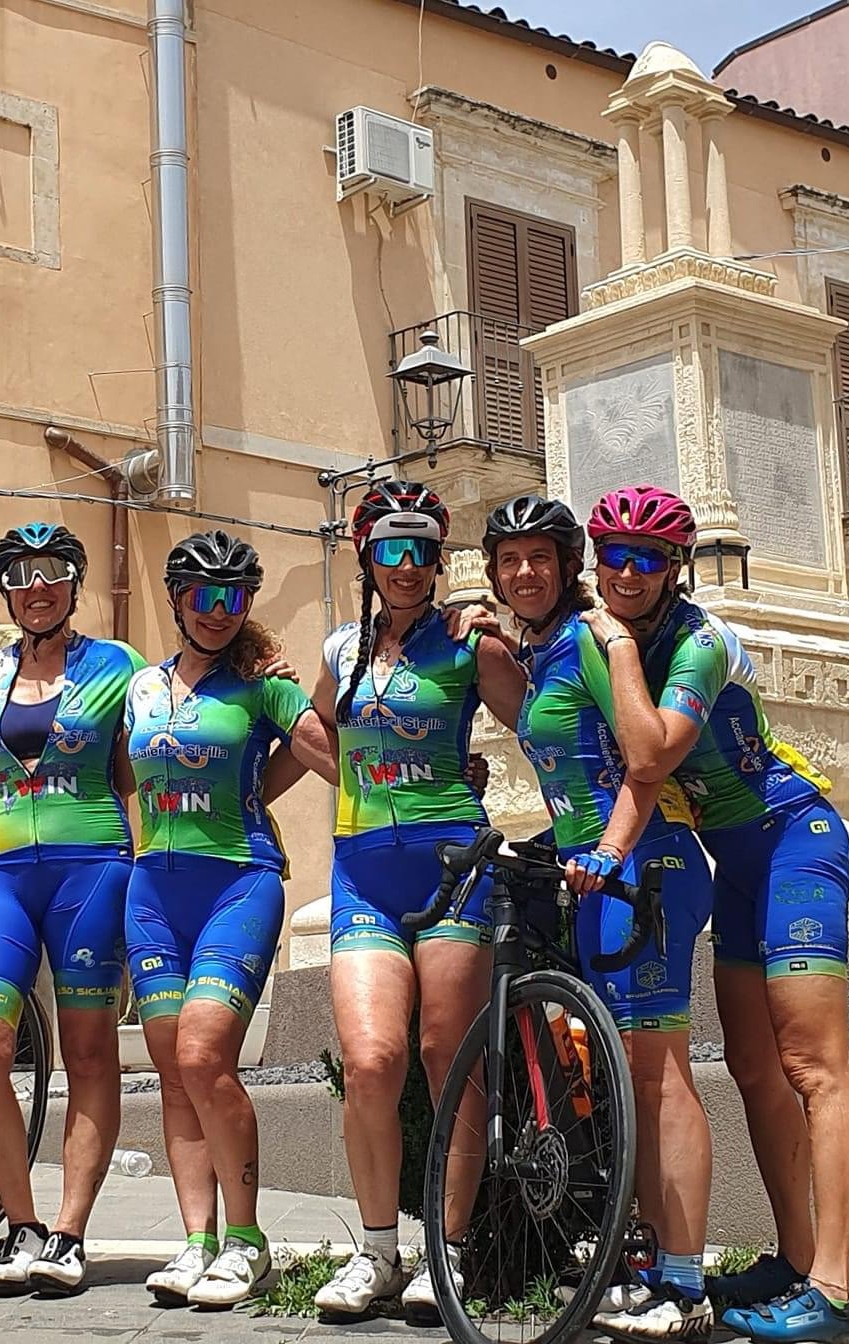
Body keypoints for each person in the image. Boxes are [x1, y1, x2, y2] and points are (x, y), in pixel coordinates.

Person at [583, 486, 849, 1344]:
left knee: (814, 1066)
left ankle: (836, 1290)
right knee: (752, 1066)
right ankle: (793, 1256)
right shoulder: (636, 634)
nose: (627, 573)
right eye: (614, 555)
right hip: (737, 866)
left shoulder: (697, 643)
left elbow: (654, 750)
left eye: (648, 558)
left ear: (676, 568)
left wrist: (616, 646)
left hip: (796, 843)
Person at [474, 493, 716, 1342]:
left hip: (645, 863)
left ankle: (684, 1284)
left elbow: (644, 760)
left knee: (658, 1072)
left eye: (541, 558)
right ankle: (650, 1263)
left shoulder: (592, 638)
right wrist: (482, 636)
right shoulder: (546, 651)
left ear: (568, 565)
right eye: (509, 561)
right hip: (594, 870)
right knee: (629, 1077)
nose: (525, 573)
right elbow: (525, 718)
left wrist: (613, 852)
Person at [302, 482, 525, 1320]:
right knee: (369, 1062)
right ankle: (379, 1252)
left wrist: (515, 642)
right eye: (391, 548)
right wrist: (353, 775)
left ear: (440, 558)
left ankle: (450, 1249)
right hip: (362, 870)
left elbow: (540, 723)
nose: (407, 565)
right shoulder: (339, 648)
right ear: (366, 556)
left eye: (423, 548)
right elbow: (312, 728)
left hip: (454, 866)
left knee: (447, 1057)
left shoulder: (467, 643)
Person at [121, 531, 333, 1309]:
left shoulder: (265, 686)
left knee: (206, 1054)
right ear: (177, 600)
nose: (219, 612)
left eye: (235, 598)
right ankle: (196, 1239)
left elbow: (335, 756)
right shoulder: (141, 689)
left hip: (238, 884)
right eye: (204, 597)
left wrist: (453, 768)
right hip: (150, 891)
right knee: (175, 1072)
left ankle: (247, 1242)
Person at [0, 522, 142, 1296]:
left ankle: (68, 1233)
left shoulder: (119, 667)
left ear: (72, 584)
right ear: (6, 588)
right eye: (22, 575)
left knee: (90, 1052)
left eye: (53, 573)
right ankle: (21, 1224)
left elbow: (146, 764)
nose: (38, 587)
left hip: (92, 867)